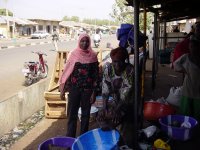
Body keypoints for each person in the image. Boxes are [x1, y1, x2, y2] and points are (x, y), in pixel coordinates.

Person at [59, 33, 99, 137]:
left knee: (85, 115)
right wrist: (63, 88)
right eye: (82, 41)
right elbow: (68, 72)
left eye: (86, 41)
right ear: (79, 42)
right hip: (74, 89)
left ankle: (83, 138)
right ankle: (70, 138)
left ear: (89, 42)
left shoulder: (93, 56)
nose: (84, 43)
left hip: (87, 91)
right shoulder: (73, 54)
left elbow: (96, 76)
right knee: (72, 114)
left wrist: (94, 92)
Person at [97, 46, 135, 148]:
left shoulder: (129, 70)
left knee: (127, 121)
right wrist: (104, 108)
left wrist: (117, 110)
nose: (117, 65)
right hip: (116, 99)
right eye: (114, 62)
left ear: (125, 60)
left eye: (120, 61)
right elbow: (105, 90)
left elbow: (126, 94)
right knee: (102, 116)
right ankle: (111, 138)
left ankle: (126, 142)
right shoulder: (108, 68)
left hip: (129, 101)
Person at [173, 35, 200, 122]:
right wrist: (183, 70)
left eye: (194, 46)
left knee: (197, 111)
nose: (192, 48)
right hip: (188, 87)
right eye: (190, 46)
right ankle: (185, 125)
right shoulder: (186, 57)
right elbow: (175, 64)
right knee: (185, 110)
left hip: (198, 88)